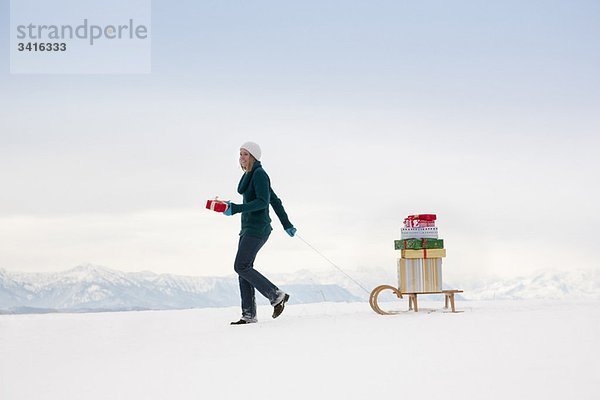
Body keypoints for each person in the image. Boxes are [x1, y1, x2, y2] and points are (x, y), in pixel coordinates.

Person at [223, 141, 297, 325]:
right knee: (244, 269)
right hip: (248, 227)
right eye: (240, 154)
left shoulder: (260, 174)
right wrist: (287, 224)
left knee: (241, 266)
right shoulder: (250, 175)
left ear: (254, 156)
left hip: (258, 228)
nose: (242, 157)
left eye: (246, 154)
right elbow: (275, 200)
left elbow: (264, 202)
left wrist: (236, 208)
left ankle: (276, 295)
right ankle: (248, 315)